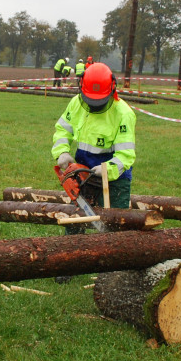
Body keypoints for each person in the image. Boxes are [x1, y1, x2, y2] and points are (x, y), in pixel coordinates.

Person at [52, 62, 136, 236]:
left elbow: (126, 155)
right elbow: (62, 130)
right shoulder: (76, 103)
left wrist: (108, 169)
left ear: (112, 88)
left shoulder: (123, 114)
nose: (93, 104)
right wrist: (62, 152)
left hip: (115, 181)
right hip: (83, 175)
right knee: (75, 225)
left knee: (113, 231)